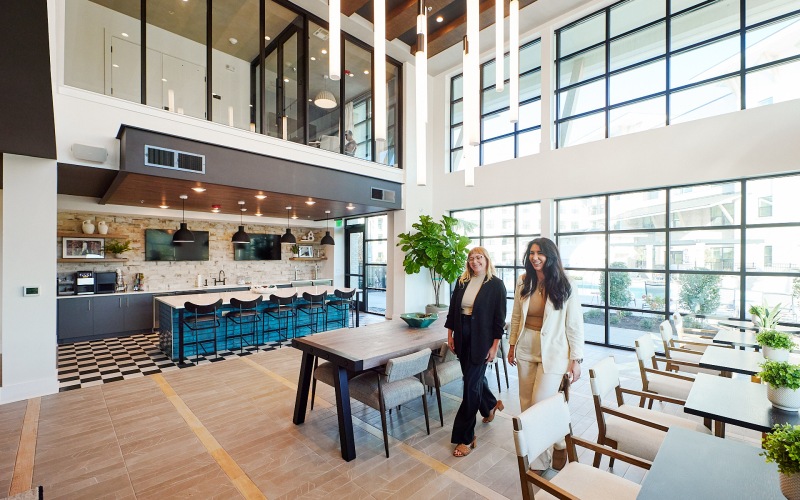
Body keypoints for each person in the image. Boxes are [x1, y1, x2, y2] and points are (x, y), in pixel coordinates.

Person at [507, 237, 584, 470]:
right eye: (531, 253)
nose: (535, 257)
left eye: (540, 253)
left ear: (550, 256)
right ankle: (539, 461)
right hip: (525, 348)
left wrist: (576, 359)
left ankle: (560, 443)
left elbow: (575, 324)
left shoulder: (565, 283)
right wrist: (511, 346)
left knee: (541, 403)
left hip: (555, 352)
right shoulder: (523, 282)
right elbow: (516, 316)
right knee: (527, 406)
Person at [445, 247, 507, 457]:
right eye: (471, 258)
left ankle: (466, 437)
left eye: (479, 257)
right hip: (462, 335)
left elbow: (499, 319)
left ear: (487, 260)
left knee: (470, 388)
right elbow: (453, 310)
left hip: (482, 338)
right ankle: (490, 405)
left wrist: (495, 346)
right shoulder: (462, 281)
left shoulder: (496, 285)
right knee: (473, 379)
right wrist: (450, 335)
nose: (474, 261)